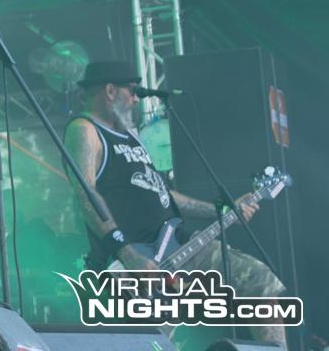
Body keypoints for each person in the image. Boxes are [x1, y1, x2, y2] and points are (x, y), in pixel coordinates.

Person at [63, 60, 287, 347]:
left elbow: (165, 195)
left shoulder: (131, 137)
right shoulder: (85, 130)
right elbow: (86, 196)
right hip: (137, 258)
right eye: (132, 90)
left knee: (260, 282)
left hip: (178, 245)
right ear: (109, 90)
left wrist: (223, 211)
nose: (136, 99)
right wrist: (128, 254)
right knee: (154, 340)